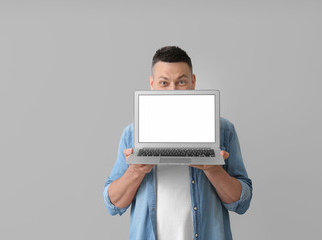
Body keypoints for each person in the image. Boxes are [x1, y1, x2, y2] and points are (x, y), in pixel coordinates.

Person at [103, 46, 252, 240]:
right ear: (152, 84)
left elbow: (241, 203)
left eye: (181, 81)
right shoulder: (132, 134)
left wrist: (213, 169)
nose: (173, 90)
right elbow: (113, 204)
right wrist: (135, 171)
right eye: (164, 82)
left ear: (193, 82)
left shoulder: (223, 130)